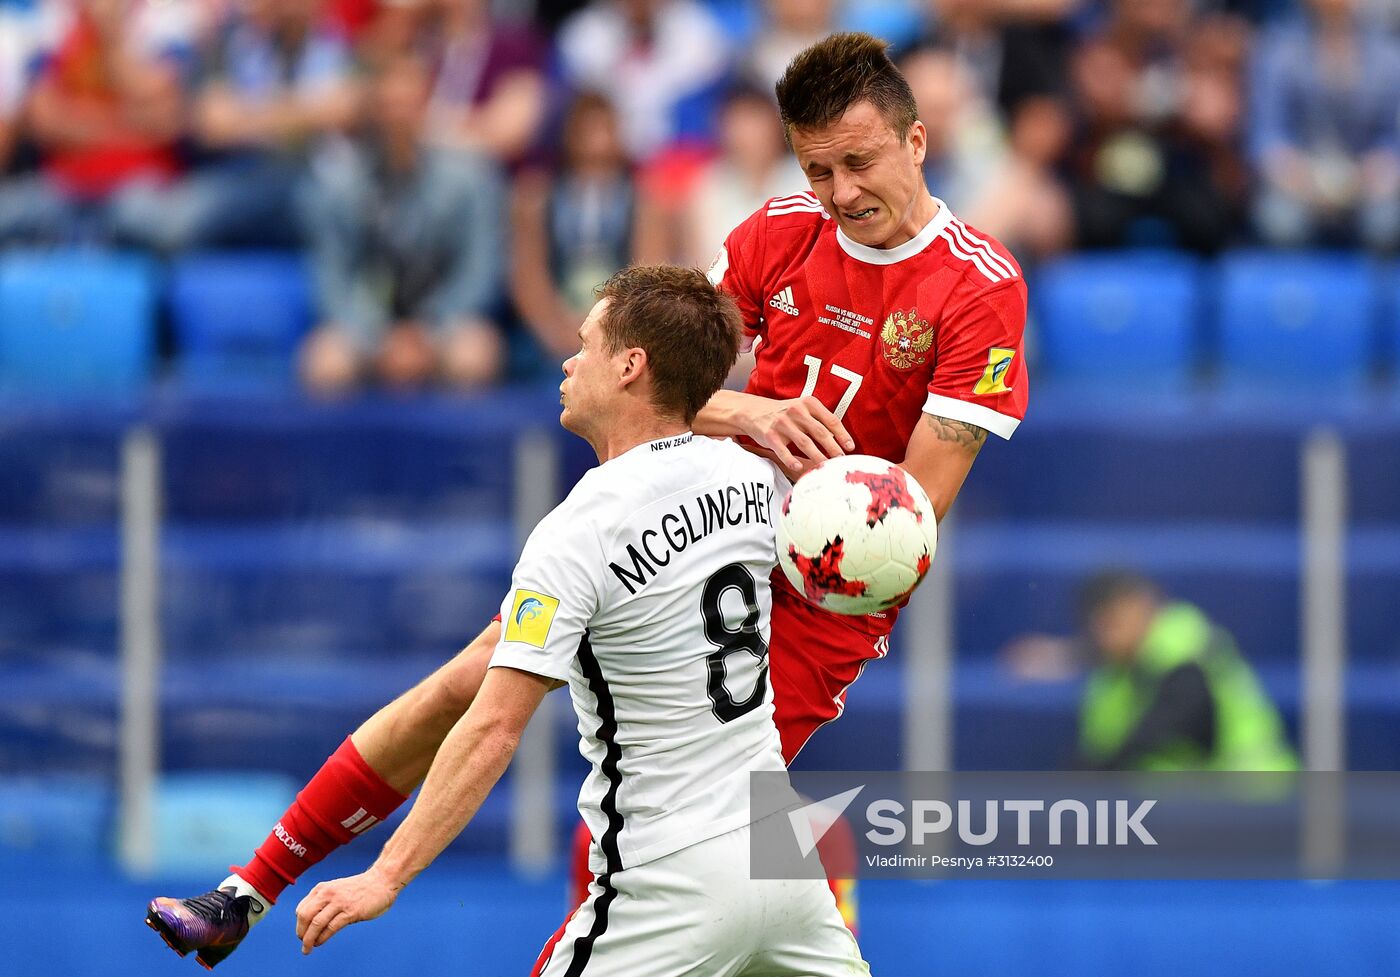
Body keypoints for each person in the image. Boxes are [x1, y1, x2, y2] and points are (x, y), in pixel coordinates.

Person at [145, 31, 1028, 966]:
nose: (841, 192)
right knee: (481, 672)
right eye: (819, 168)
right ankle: (249, 886)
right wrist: (753, 412)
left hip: (816, 599)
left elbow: (911, 513)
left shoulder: (978, 288)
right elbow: (675, 361)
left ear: (917, 143)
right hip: (702, 510)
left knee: (676, 816)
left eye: (859, 163)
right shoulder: (777, 232)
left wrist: (815, 506)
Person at [153, 266, 872, 976]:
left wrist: (387, 875)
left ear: (630, 365)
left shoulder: (581, 529)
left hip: (667, 881)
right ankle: (246, 890)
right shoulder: (748, 479)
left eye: (586, 343)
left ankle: (249, 890)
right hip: (781, 869)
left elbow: (494, 727)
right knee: (457, 680)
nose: (568, 358)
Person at [297, 54, 507, 393]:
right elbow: (331, 279)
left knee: (474, 354)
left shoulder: (469, 178)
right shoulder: (337, 184)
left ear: (426, 105)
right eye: (388, 105)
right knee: (325, 361)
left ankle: (460, 446)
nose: (397, 116)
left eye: (407, 104)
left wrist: (427, 331)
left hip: (442, 323)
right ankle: (345, 447)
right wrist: (378, 336)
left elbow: (480, 273)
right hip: (368, 326)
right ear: (372, 110)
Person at [1075, 571, 1299, 772]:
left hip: (1253, 794)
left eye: (1115, 622)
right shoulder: (1113, 672)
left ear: (1146, 607)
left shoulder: (1186, 653)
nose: (1109, 636)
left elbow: (1161, 727)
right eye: (1102, 625)